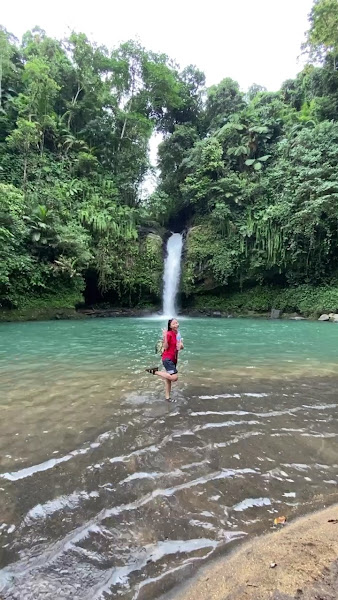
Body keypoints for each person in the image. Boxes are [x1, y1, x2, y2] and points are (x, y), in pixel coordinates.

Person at [146, 318, 184, 402]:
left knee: (168, 379)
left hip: (174, 359)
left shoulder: (178, 334)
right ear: (170, 326)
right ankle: (154, 371)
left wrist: (181, 345)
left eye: (176, 323)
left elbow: (181, 347)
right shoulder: (168, 334)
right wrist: (165, 336)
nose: (176, 325)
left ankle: (167, 398)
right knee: (174, 378)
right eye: (173, 324)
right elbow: (166, 347)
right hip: (167, 359)